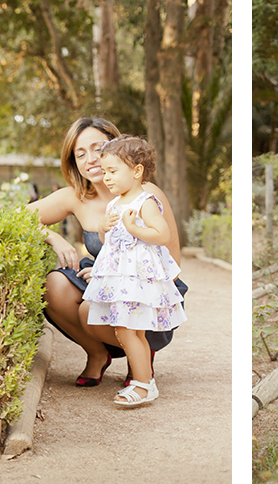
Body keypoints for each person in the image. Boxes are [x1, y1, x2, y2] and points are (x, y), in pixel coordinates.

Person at [26, 118, 187, 388]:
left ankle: (143, 356)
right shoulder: (75, 196)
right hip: (104, 285)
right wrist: (53, 237)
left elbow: (172, 263)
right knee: (54, 284)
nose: (91, 159)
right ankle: (97, 354)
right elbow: (15, 218)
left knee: (92, 307)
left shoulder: (146, 195)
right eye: (80, 154)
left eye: (98, 149)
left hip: (149, 294)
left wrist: (111, 277)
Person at [82, 136, 186, 406]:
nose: (106, 178)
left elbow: (161, 235)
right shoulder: (114, 204)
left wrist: (134, 228)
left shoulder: (145, 201)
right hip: (121, 280)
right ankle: (143, 382)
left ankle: (143, 384)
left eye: (113, 171)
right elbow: (110, 243)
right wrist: (104, 227)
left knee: (130, 331)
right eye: (105, 172)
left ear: (137, 171)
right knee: (127, 330)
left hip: (138, 279)